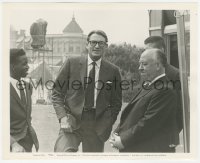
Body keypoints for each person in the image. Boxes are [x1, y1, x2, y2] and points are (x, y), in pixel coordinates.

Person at [52, 30, 122, 152]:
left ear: (106, 46)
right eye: (93, 42)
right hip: (72, 120)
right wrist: (63, 117)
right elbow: (57, 92)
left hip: (97, 124)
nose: (97, 46)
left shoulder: (113, 70)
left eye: (101, 43)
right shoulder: (71, 63)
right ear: (87, 44)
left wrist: (108, 122)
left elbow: (116, 102)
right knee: (63, 153)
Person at [110, 49, 180, 152]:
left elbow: (149, 123)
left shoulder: (165, 90)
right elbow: (133, 113)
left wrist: (123, 140)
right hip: (138, 146)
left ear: (157, 65)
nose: (140, 68)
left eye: (144, 64)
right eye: (140, 64)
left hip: (149, 149)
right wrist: (118, 132)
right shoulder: (150, 84)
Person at [144, 36, 183, 133]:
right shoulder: (144, 71)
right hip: (145, 130)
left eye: (150, 51)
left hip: (164, 133)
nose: (146, 54)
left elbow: (179, 108)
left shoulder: (175, 74)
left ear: (161, 51)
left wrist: (172, 133)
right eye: (145, 51)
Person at [10, 48, 39, 152]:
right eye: (24, 64)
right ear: (13, 66)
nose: (28, 67)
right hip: (11, 146)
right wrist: (12, 143)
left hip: (28, 142)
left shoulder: (28, 87)